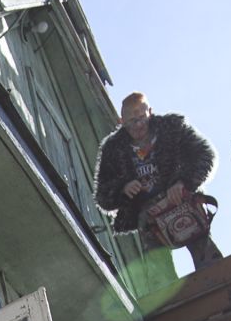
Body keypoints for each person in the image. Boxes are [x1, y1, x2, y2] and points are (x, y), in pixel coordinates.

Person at [93, 92, 222, 268]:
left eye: (142, 118)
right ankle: (170, 293)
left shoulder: (173, 128)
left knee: (205, 253)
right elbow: (102, 195)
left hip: (181, 201)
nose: (138, 125)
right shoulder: (112, 148)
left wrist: (183, 182)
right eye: (132, 121)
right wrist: (122, 189)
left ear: (150, 112)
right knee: (158, 272)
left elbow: (206, 155)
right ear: (121, 122)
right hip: (149, 218)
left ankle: (217, 275)